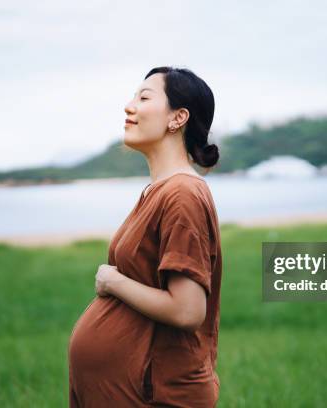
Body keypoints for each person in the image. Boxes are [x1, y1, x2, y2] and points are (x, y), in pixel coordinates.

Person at [68, 66, 222, 407]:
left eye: (144, 97)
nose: (129, 106)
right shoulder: (160, 191)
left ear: (177, 118)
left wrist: (113, 282)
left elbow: (187, 311)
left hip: (154, 393)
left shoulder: (182, 194)